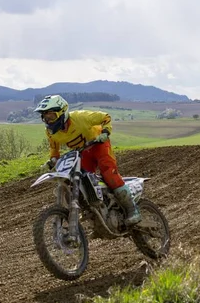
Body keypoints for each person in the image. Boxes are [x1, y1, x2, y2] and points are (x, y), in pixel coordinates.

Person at [34, 94, 142, 225]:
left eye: (51, 116)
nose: (48, 121)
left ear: (62, 112)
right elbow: (54, 150)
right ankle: (95, 215)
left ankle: (132, 210)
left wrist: (105, 133)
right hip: (81, 153)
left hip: (98, 144)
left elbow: (105, 117)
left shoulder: (81, 117)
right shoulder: (50, 132)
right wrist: (52, 161)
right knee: (80, 182)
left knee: (109, 173)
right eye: (45, 117)